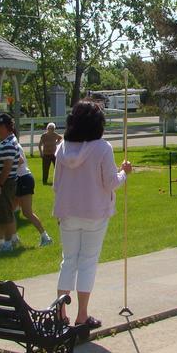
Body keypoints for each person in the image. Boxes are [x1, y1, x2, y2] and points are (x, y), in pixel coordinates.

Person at [52, 101, 132, 330]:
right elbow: (111, 182)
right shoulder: (102, 148)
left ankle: (60, 312)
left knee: (68, 261)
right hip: (95, 212)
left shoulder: (62, 148)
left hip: (67, 210)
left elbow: (56, 183)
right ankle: (82, 315)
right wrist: (124, 173)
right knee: (87, 262)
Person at [0, 113, 24, 253]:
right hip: (3, 182)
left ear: (4, 126)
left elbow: (8, 166)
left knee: (5, 213)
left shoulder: (8, 143)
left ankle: (8, 243)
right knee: (0, 213)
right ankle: (1, 240)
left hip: (4, 183)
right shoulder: (7, 142)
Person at [14, 151, 53, 247]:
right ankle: (13, 238)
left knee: (27, 212)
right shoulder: (10, 143)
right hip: (19, 179)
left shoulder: (12, 143)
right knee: (11, 210)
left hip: (23, 179)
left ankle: (46, 237)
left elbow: (20, 161)